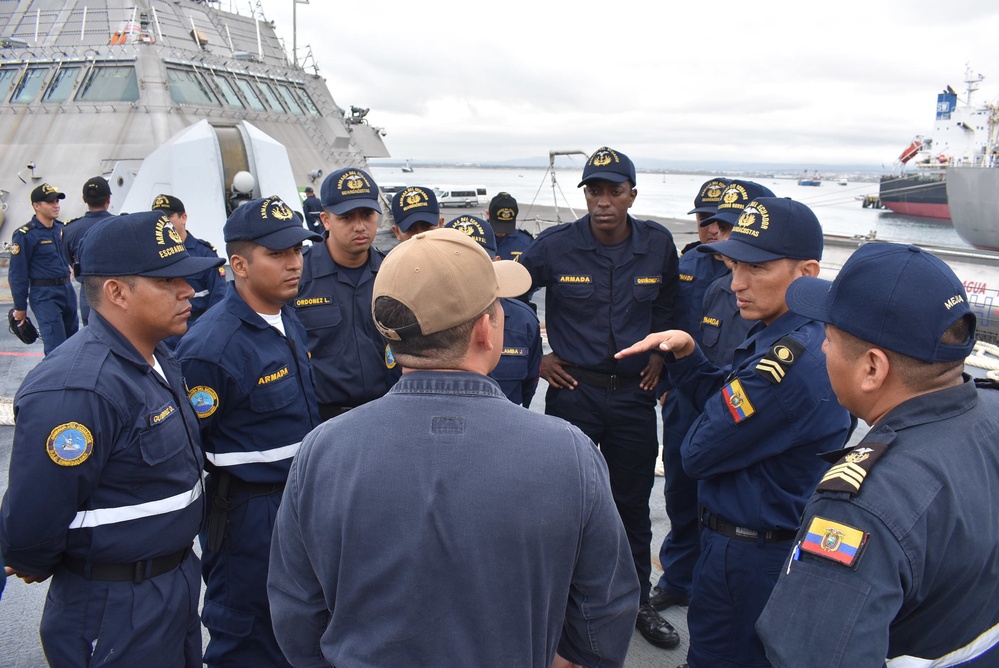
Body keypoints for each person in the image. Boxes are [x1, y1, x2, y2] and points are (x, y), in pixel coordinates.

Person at [267, 227, 640, 667]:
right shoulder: (567, 452)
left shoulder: (323, 450)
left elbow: (296, 612)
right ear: (486, 329)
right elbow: (607, 607)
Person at [616, 196, 853, 668]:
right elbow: (728, 404)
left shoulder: (783, 366)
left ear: (807, 273)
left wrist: (710, 414)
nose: (735, 284)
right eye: (733, 264)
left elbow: (697, 452)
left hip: (747, 556)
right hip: (756, 541)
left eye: (757, 269)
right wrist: (687, 355)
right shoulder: (792, 336)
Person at [757, 243, 999, 666]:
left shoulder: (864, 506)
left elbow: (813, 656)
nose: (823, 350)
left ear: (872, 368)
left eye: (828, 339)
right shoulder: (990, 416)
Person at [0, 210, 224, 667]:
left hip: (171, 582)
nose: (188, 290)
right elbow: (31, 524)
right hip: (114, 603)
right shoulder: (79, 389)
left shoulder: (157, 357)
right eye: (167, 282)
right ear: (117, 292)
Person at [518, 146, 682, 649]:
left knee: (631, 502)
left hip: (634, 396)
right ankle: (564, 604)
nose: (604, 201)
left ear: (632, 195)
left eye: (615, 191)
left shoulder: (657, 245)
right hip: (575, 394)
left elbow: (669, 304)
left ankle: (637, 603)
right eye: (595, 191)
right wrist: (537, 359)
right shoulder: (554, 246)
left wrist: (660, 354)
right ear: (584, 194)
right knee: (566, 502)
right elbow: (510, 297)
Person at [176, 196, 322, 668]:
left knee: (303, 624)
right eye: (278, 255)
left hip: (300, 500)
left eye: (298, 251)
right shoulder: (212, 346)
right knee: (249, 633)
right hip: (247, 515)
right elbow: (188, 448)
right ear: (238, 264)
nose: (294, 263)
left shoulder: (284, 317)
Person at [651, 178, 763, 613]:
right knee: (680, 491)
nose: (713, 230)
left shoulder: (767, 281)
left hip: (744, 401)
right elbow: (669, 323)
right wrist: (666, 386)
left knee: (731, 501)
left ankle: (722, 592)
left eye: (723, 222)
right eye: (705, 220)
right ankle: (679, 579)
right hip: (688, 395)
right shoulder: (693, 265)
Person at [296, 167, 402, 421]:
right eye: (346, 217)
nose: (359, 226)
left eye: (367, 215)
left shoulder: (394, 274)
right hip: (322, 419)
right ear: (325, 220)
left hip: (386, 413)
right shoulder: (298, 276)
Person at [444, 214, 541, 407]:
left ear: (496, 262)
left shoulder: (523, 321)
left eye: (477, 262)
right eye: (457, 261)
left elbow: (527, 389)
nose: (467, 272)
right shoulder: (419, 319)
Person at [8, 183, 78, 355]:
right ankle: (54, 381)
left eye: (57, 201)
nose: (56, 205)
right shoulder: (25, 235)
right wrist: (20, 306)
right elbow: (18, 274)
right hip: (44, 294)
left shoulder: (62, 229)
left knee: (74, 343)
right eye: (50, 202)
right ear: (36, 206)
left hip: (67, 290)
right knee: (56, 347)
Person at [151, 194, 226, 347]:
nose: (162, 222)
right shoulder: (151, 256)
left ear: (183, 218)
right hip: (162, 337)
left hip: (197, 331)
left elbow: (219, 297)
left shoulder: (204, 254)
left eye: (168, 217)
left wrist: (206, 331)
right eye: (157, 219)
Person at [63, 176, 115, 326]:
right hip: (117, 290)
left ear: (84, 199)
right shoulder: (121, 225)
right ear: (109, 199)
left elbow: (68, 258)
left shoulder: (70, 229)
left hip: (89, 292)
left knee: (92, 335)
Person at [487, 191, 534, 262]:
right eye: (498, 225)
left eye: (506, 226)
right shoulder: (475, 239)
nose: (502, 232)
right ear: (488, 214)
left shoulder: (526, 242)